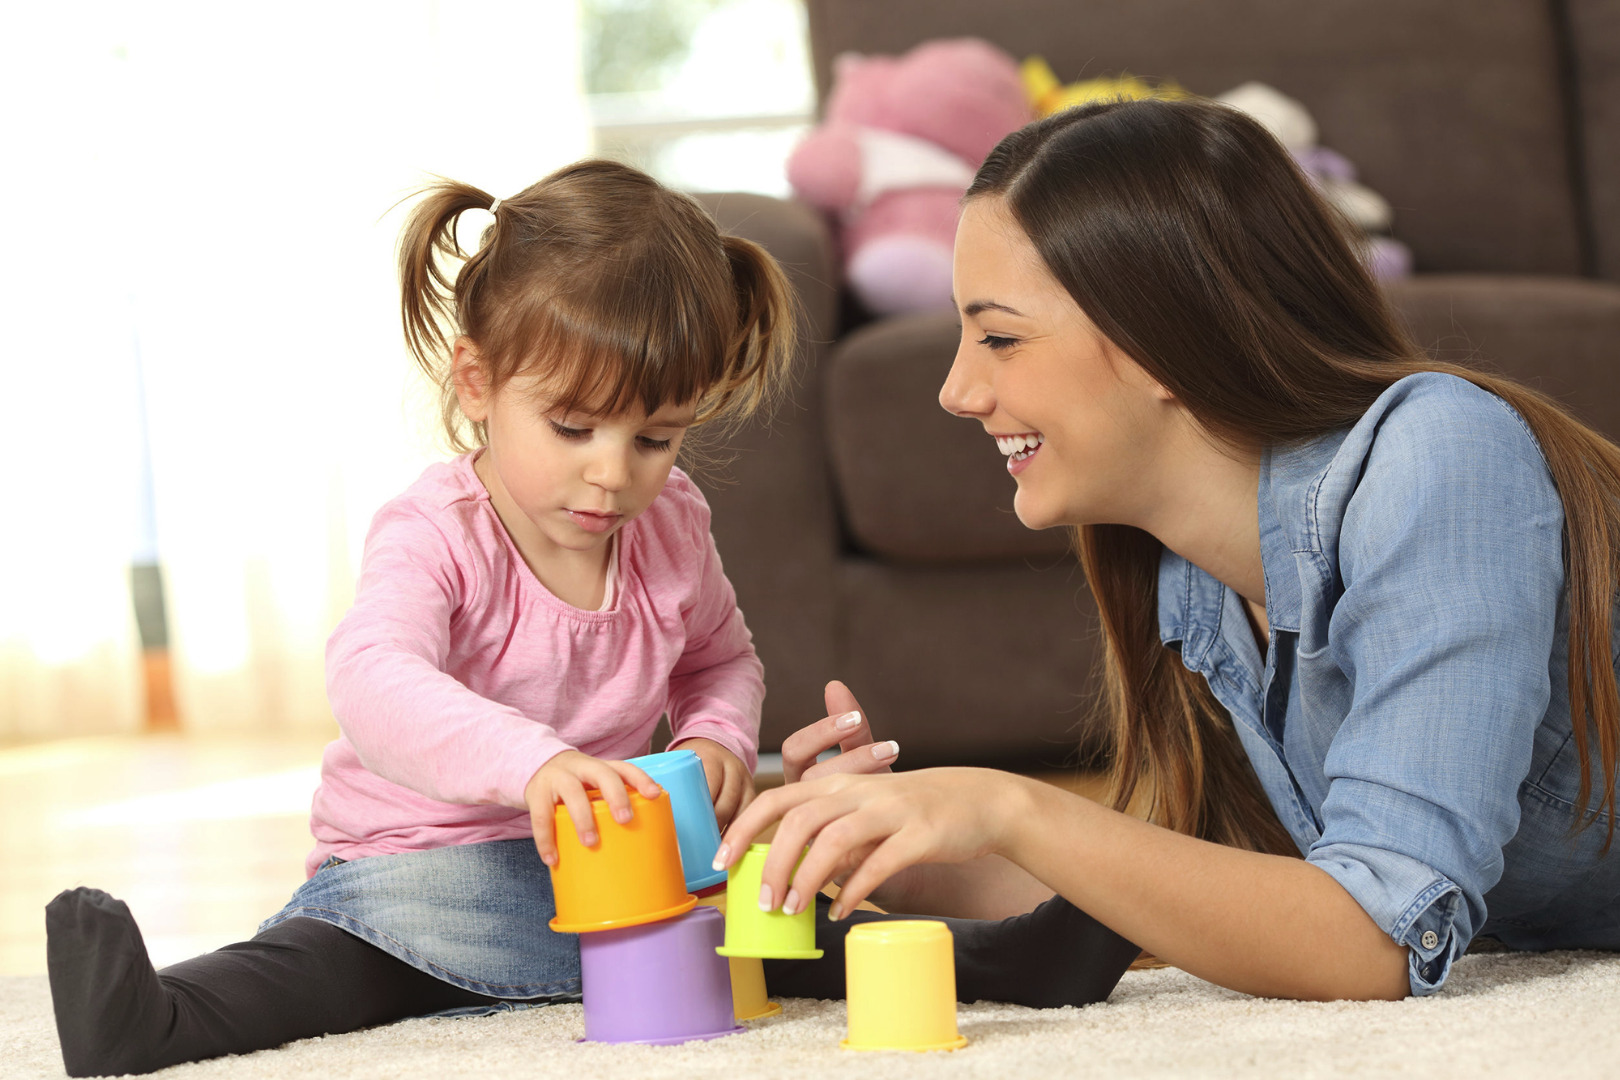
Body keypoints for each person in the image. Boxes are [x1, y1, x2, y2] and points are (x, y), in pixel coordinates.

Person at [728, 97, 1620, 1004]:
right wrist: (906, 847)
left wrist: (1010, 803)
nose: (958, 390)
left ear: (1163, 337)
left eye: (999, 336)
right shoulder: (1193, 577)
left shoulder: (1441, 457)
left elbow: (1371, 940)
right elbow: (1201, 886)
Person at [45, 159, 798, 1077]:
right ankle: (154, 1018)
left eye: (654, 438)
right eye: (572, 427)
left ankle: (987, 948)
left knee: (785, 905)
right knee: (330, 970)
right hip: (424, 871)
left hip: (607, 866)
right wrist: (537, 764)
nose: (614, 471)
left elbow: (721, 658)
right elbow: (373, 678)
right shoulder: (436, 531)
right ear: (477, 385)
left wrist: (718, 737)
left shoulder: (673, 521)